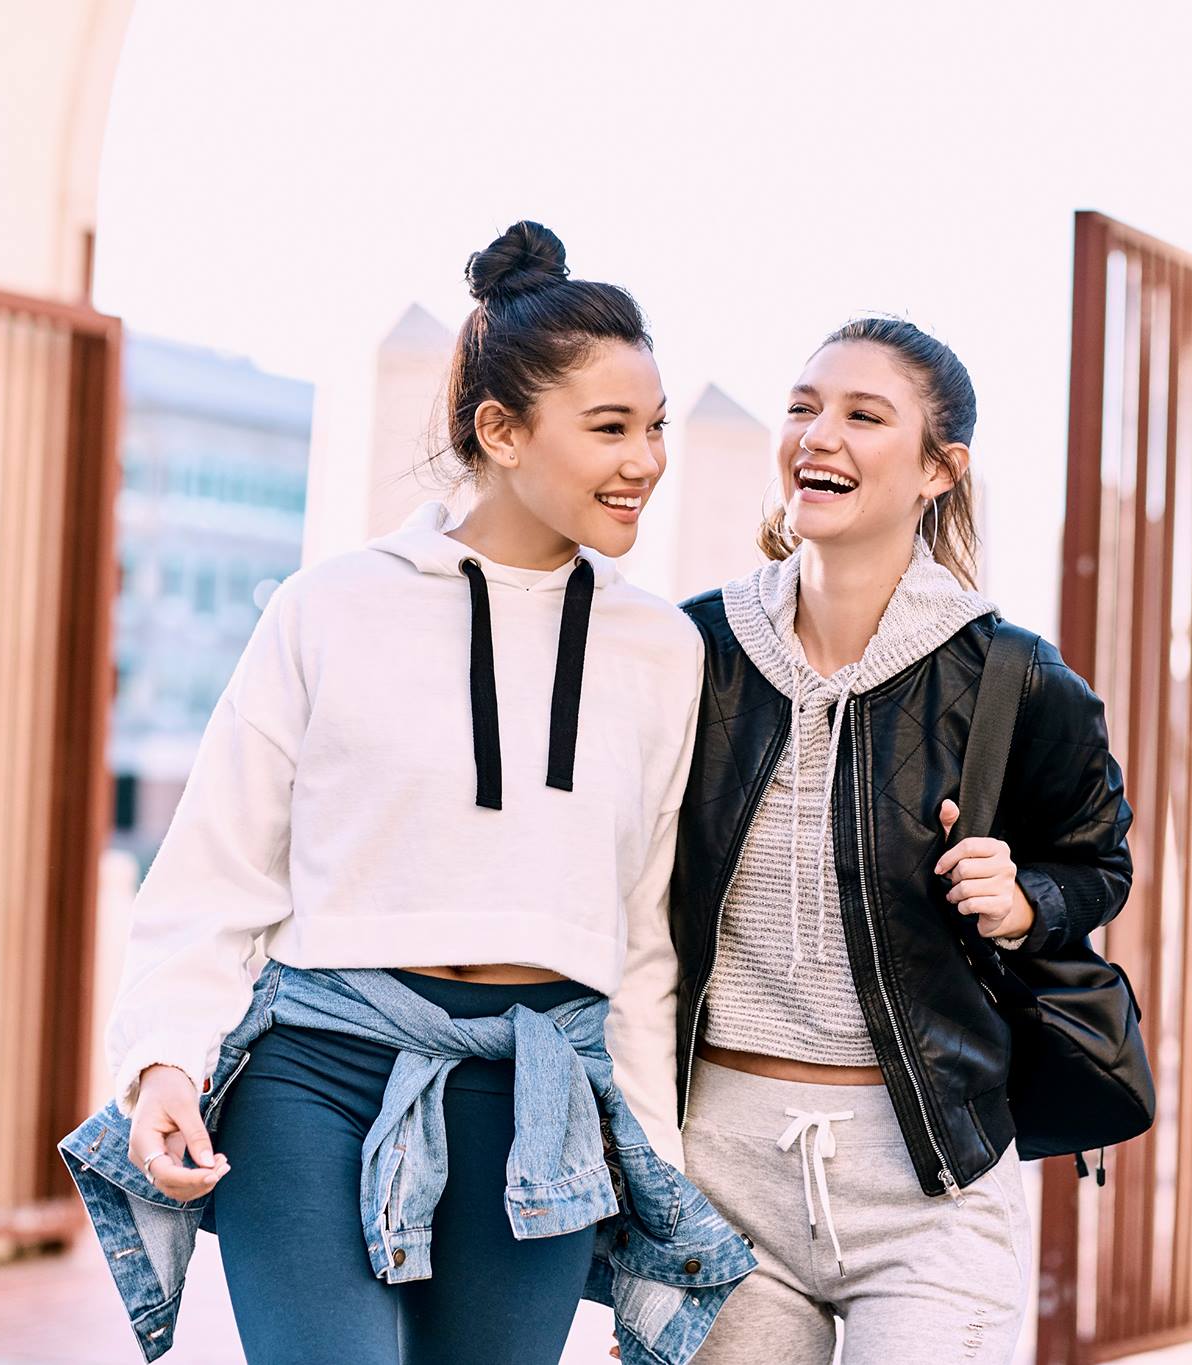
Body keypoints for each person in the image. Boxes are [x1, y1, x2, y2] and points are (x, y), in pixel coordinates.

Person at [59, 222, 752, 1365]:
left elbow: (639, 933)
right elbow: (215, 874)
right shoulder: (328, 607)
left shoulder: (658, 649)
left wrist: (652, 1153)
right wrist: (164, 1063)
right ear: (501, 429)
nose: (647, 460)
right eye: (611, 428)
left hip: (539, 1096)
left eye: (658, 426)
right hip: (316, 1075)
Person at [669, 318, 1135, 1363]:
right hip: (720, 1175)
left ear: (938, 468)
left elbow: (1098, 861)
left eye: (861, 415)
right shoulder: (693, 650)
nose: (815, 434)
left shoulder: (1013, 678)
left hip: (928, 1176)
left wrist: (1024, 903)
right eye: (802, 406)